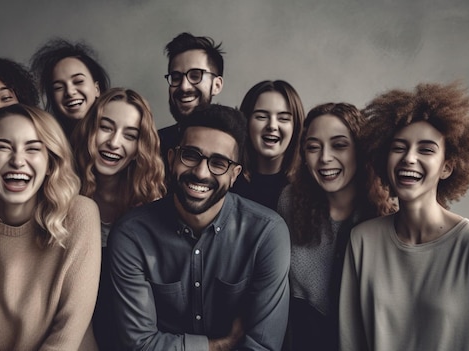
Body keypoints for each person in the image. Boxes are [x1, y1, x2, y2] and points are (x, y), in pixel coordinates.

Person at [109, 104, 291, 350]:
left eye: (218, 163)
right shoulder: (132, 235)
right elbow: (139, 345)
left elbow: (262, 346)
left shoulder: (267, 234)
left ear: (234, 174)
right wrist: (218, 346)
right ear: (172, 159)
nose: (201, 172)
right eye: (191, 155)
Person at [0, 104, 101, 350]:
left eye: (33, 148)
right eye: (3, 147)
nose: (17, 160)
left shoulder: (81, 214)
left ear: (50, 165)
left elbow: (67, 336)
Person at [339, 82, 469, 351]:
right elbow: (350, 343)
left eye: (426, 149)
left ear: (448, 167)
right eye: (399, 147)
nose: (409, 158)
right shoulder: (362, 241)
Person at [277, 103, 393, 351]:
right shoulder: (289, 201)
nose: (325, 158)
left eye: (339, 145)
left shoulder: (385, 214)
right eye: (313, 147)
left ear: (361, 151)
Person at [72, 87, 166, 350]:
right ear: (90, 130)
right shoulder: (63, 193)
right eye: (106, 127)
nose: (114, 142)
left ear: (139, 148)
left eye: (130, 135)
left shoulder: (152, 205)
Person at [232, 80, 305, 211]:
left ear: (296, 127)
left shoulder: (306, 188)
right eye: (261, 117)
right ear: (246, 122)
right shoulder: (228, 181)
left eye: (283, 118)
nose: (272, 126)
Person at [158, 32, 225, 167]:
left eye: (195, 76)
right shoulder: (154, 143)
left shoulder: (234, 146)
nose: (184, 86)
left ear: (216, 86)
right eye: (176, 78)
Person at [30, 38, 110, 140]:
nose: (69, 92)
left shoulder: (115, 138)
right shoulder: (50, 142)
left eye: (78, 81)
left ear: (97, 89)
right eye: (58, 87)